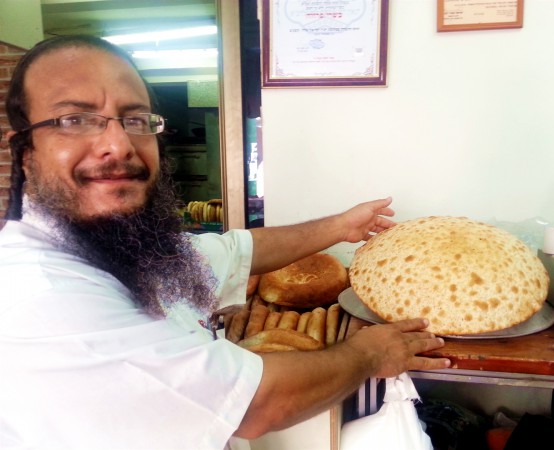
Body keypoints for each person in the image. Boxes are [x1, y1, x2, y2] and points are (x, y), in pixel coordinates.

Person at [0, 35, 450, 449]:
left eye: (134, 118)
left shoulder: (108, 247)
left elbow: (234, 252)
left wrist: (341, 226)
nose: (118, 144)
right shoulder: (39, 296)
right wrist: (369, 354)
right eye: (75, 119)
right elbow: (256, 405)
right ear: (22, 150)